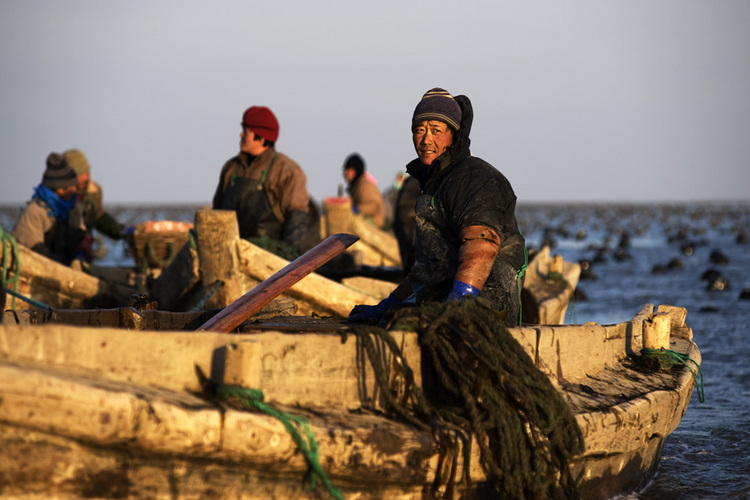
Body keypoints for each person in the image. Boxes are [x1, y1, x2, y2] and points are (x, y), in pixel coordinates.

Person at [349, 88, 526, 327]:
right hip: (440, 297)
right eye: (419, 130)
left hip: (488, 305)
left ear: (453, 133)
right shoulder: (433, 184)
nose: (426, 140)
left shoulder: (475, 178)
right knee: (388, 321)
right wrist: (389, 304)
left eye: (436, 130)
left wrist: (459, 300)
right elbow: (426, 267)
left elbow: (481, 244)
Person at [212, 105, 319, 258]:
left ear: (261, 138)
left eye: (246, 131)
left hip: (268, 259)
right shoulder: (231, 168)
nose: (241, 134)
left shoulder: (287, 171)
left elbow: (296, 222)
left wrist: (287, 260)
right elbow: (216, 214)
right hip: (229, 255)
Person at [11, 153, 88, 265]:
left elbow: (79, 240)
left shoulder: (74, 208)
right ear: (59, 189)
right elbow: (30, 253)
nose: (75, 190)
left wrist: (79, 253)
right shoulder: (35, 212)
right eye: (71, 186)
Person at [63, 149, 133, 243]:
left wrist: (122, 230)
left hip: (84, 247)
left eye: (87, 172)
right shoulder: (57, 197)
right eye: (80, 174)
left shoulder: (93, 192)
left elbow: (98, 217)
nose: (86, 178)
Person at [342, 153, 386, 228]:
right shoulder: (356, 186)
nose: (346, 173)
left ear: (356, 171)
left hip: (373, 227)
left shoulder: (364, 185)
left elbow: (374, 205)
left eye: (350, 170)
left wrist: (355, 210)